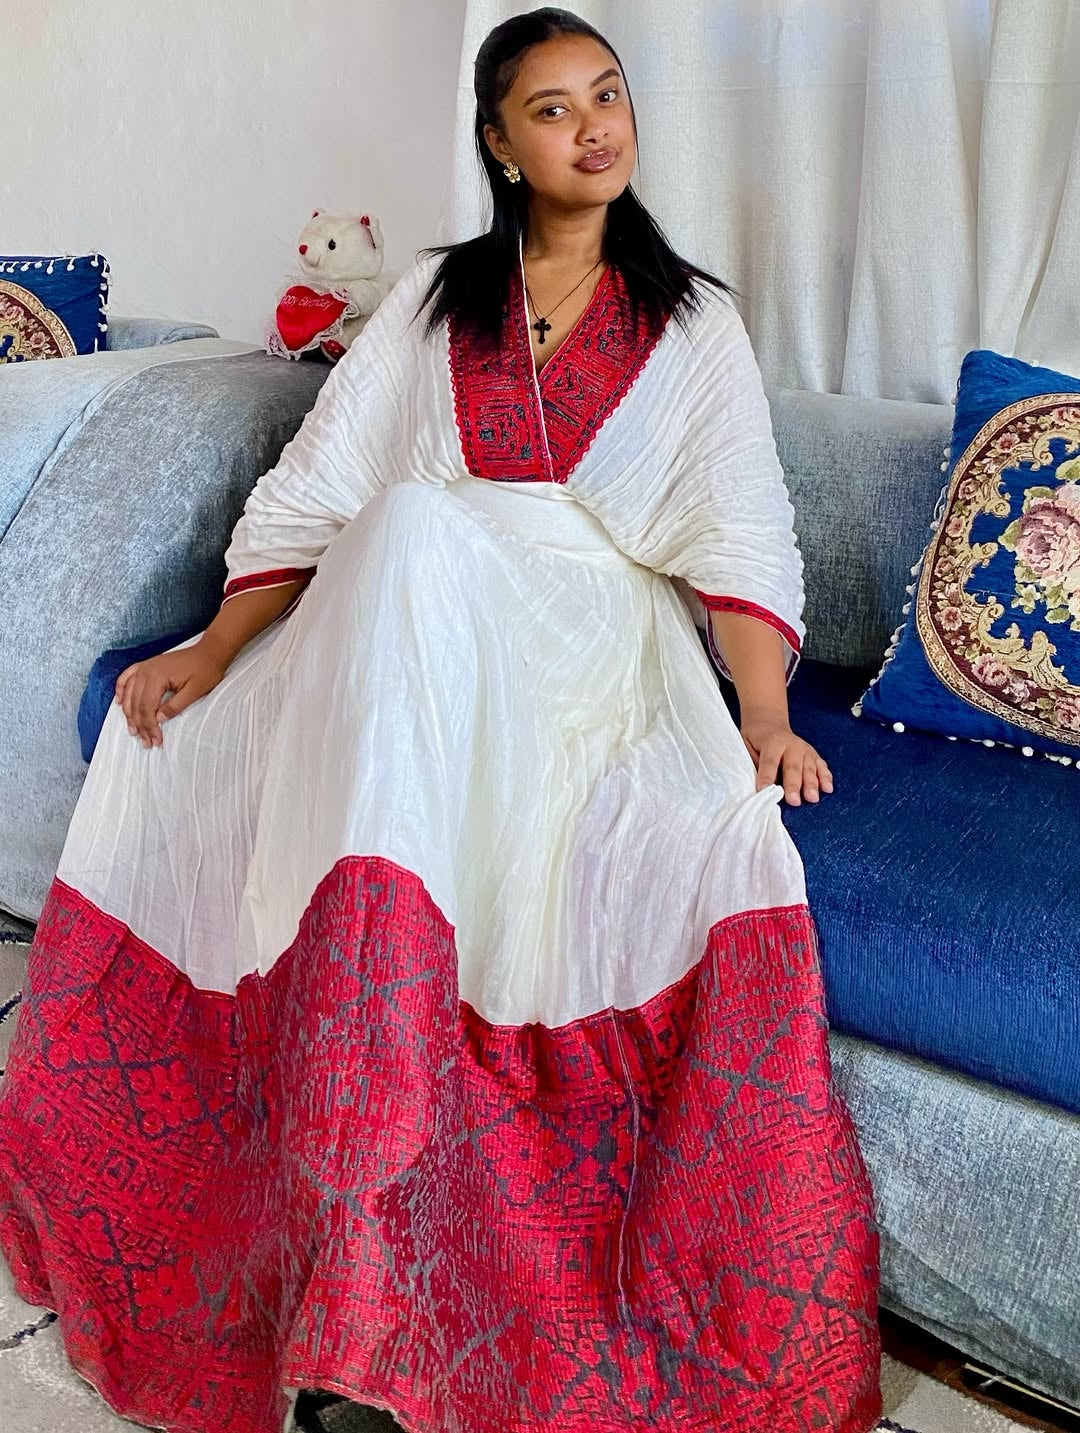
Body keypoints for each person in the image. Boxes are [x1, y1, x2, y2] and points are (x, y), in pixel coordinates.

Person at [0, 9, 883, 1433]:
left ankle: (416, 1269)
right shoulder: (428, 303)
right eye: (553, 109)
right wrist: (217, 648)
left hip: (586, 643)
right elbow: (320, 478)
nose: (596, 127)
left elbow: (743, 530)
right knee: (391, 536)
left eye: (610, 97)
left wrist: (765, 715)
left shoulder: (694, 322)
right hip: (411, 623)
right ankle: (346, 1255)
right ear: (498, 141)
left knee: (424, 545)